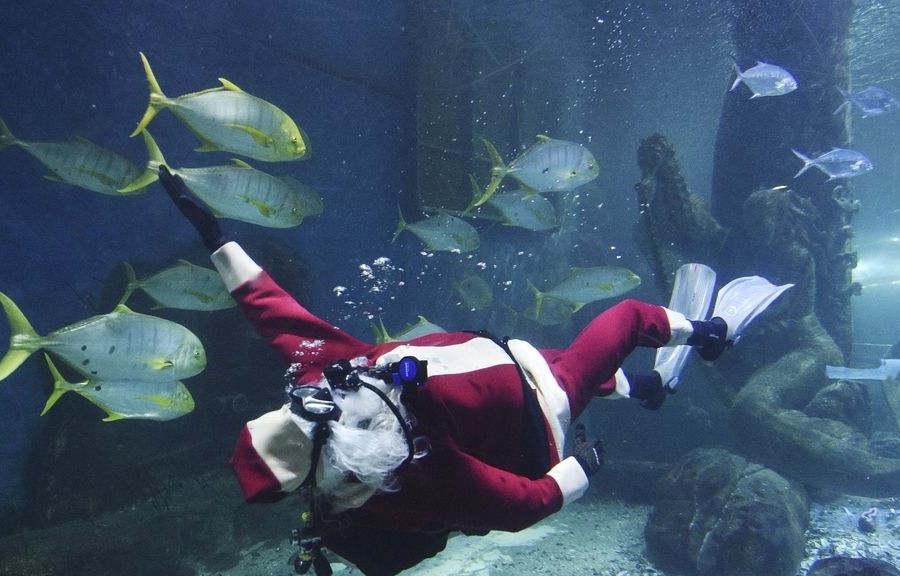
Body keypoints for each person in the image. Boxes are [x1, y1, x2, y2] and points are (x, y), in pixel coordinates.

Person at [156, 166, 790, 576]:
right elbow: (521, 505)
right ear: (326, 438)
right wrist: (581, 470)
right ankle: (710, 335)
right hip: (542, 414)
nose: (313, 398)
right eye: (309, 412)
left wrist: (213, 234)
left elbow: (273, 312)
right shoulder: (417, 470)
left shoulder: (336, 380)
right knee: (624, 321)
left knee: (572, 363)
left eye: (301, 402)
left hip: (515, 363)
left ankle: (645, 387)